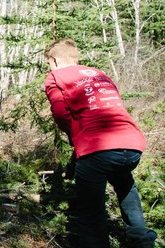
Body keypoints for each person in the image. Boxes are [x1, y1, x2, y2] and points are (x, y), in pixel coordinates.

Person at [44, 38, 156, 248]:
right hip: (132, 144)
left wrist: (77, 137)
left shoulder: (56, 77)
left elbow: (60, 114)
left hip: (98, 146)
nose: (49, 67)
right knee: (125, 184)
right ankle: (141, 241)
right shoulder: (98, 74)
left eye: (48, 63)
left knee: (91, 211)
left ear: (55, 60)